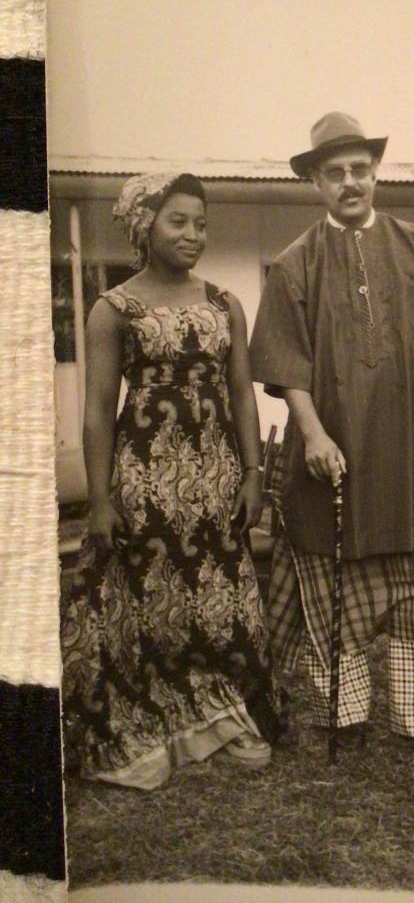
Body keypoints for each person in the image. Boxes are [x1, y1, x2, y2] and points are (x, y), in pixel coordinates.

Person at [249, 112, 414, 755]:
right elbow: (287, 366)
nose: (350, 182)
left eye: (359, 170)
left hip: (405, 451)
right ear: (316, 183)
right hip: (333, 451)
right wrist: (314, 434)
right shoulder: (295, 264)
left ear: (375, 173)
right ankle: (343, 712)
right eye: (334, 173)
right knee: (328, 576)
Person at [61, 172, 286, 790]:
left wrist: (251, 473)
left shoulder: (223, 303)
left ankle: (225, 714)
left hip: (215, 480)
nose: (193, 235)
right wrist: (100, 499)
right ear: (144, 227)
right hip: (146, 482)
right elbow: (98, 408)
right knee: (149, 602)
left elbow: (240, 393)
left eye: (201, 223)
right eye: (177, 221)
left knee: (222, 598)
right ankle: (157, 722)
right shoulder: (114, 310)